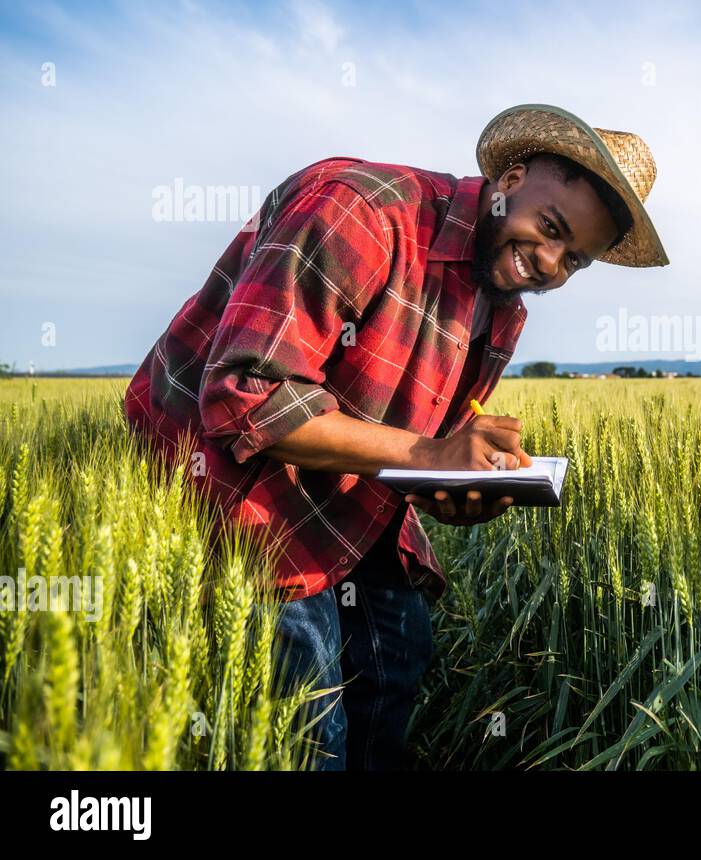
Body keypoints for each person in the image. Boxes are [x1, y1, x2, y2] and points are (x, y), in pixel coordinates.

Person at [122, 103, 670, 769]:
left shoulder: (500, 301)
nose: (549, 263)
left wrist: (451, 485)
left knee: (396, 664)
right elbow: (250, 393)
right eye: (549, 228)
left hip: (347, 494)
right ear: (510, 179)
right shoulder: (364, 211)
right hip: (232, 485)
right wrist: (430, 454)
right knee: (311, 726)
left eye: (574, 260)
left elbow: (412, 435)